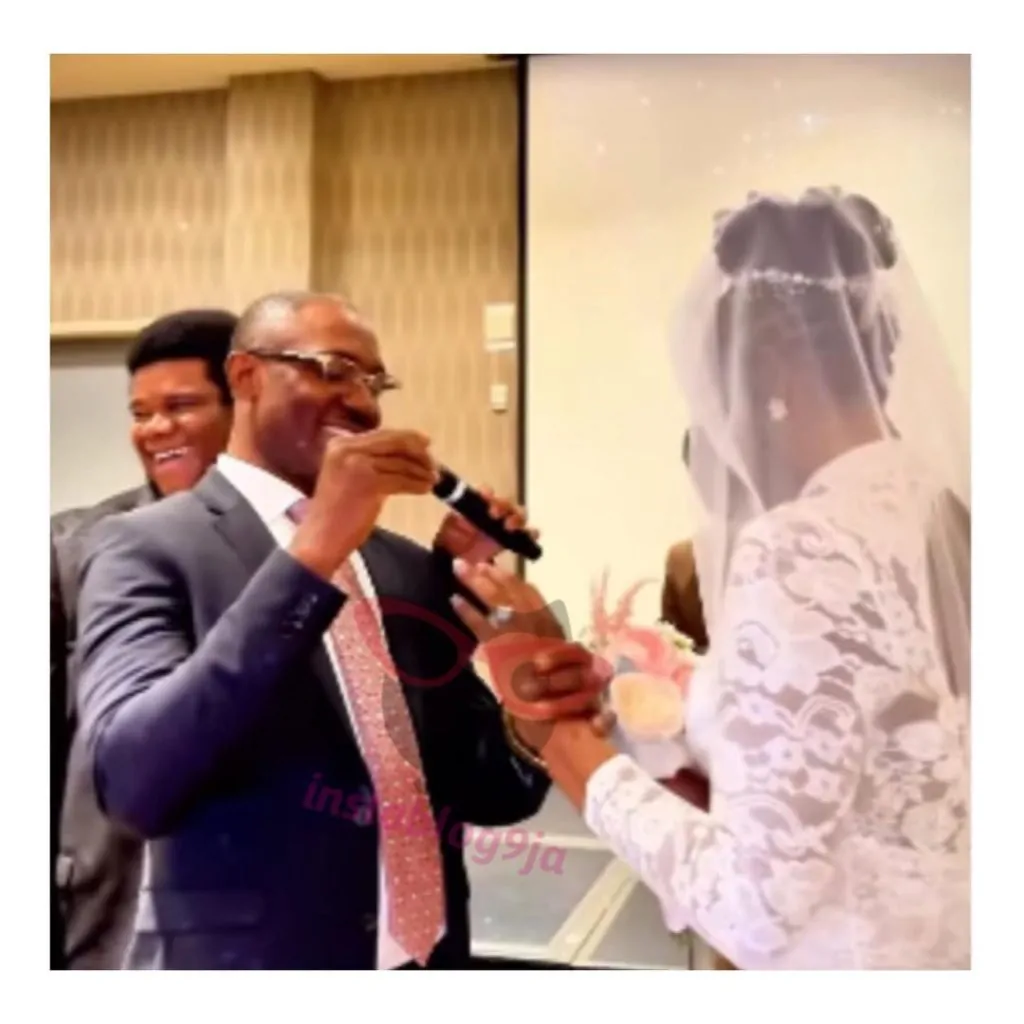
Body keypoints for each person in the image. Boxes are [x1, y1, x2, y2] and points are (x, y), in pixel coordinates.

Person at [452, 189, 971, 969]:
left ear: (773, 373)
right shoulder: (948, 518)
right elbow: (868, 756)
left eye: (715, 381)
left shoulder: (803, 548)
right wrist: (638, 712)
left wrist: (557, 730)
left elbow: (753, 910)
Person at [73, 290, 550, 970]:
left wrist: (532, 699)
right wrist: (314, 551)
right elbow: (133, 783)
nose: (362, 403)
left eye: (375, 382)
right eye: (334, 369)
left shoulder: (405, 567)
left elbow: (487, 791)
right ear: (246, 376)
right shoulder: (142, 546)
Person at [51, 308, 238, 969]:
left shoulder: (296, 546)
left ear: (243, 406)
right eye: (141, 412)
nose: (156, 429)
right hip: (109, 891)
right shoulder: (71, 546)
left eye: (181, 406)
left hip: (249, 888)